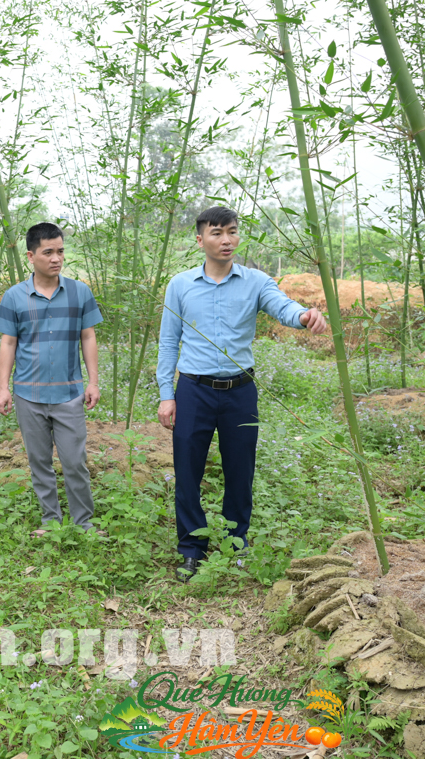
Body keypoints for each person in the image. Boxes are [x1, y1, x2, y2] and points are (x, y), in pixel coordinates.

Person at [156, 206, 328, 582]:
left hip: (239, 391)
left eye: (232, 232)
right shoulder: (180, 285)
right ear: (200, 240)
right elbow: (169, 341)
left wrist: (303, 316)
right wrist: (165, 393)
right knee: (187, 471)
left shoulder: (255, 281)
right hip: (193, 391)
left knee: (239, 470)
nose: (226, 240)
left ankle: (237, 544)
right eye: (217, 233)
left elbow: (283, 307)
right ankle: (191, 550)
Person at [0, 222, 103, 536]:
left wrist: (92, 382)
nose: (56, 258)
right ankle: (50, 522)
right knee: (39, 461)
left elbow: (88, 336)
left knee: (74, 462)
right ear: (31, 256)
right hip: (29, 394)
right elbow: (8, 343)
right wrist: (3, 388)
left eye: (60, 251)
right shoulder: (14, 296)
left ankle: (83, 523)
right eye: (48, 252)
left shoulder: (80, 292)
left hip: (70, 393)